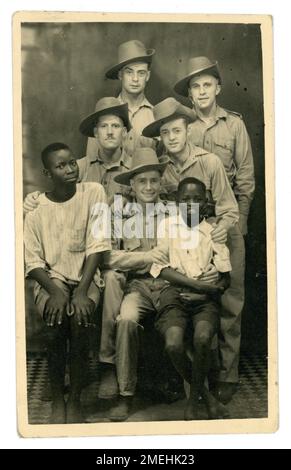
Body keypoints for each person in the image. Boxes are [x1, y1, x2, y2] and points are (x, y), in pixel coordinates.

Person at [173, 56, 255, 402]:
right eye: (196, 85)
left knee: (229, 301)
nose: (202, 91)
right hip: (189, 228)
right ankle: (195, 378)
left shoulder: (234, 124)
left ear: (218, 88)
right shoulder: (182, 128)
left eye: (208, 84)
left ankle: (228, 374)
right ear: (189, 93)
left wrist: (236, 227)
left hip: (226, 220)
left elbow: (246, 181)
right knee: (191, 297)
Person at [24, 142, 111, 424]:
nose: (70, 169)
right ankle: (57, 400)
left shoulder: (93, 193)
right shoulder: (36, 208)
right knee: (55, 319)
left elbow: (97, 247)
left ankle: (74, 399)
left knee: (80, 320)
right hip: (51, 280)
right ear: (48, 173)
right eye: (60, 166)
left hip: (86, 277)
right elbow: (32, 261)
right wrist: (55, 292)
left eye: (72, 162)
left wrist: (82, 291)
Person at [150, 177, 231, 420]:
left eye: (197, 199)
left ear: (206, 203)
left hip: (204, 297)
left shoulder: (212, 232)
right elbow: (160, 268)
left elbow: (225, 281)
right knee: (173, 343)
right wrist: (196, 284)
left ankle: (192, 403)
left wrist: (204, 291)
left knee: (203, 337)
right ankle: (204, 396)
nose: (191, 204)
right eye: (185, 199)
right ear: (176, 201)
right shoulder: (167, 226)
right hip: (174, 292)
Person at [86, 40, 156, 161]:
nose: (135, 79)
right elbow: (91, 162)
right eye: (129, 72)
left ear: (148, 76)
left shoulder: (156, 116)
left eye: (141, 73)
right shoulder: (103, 113)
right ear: (120, 75)